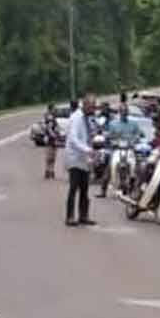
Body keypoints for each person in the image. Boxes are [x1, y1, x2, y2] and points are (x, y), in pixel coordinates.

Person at [64, 94, 97, 226]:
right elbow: (73, 139)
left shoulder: (87, 119)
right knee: (74, 187)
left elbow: (89, 134)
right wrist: (87, 150)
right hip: (74, 157)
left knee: (85, 188)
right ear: (85, 105)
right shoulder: (76, 118)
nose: (94, 109)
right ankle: (70, 216)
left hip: (84, 158)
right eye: (92, 106)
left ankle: (83, 215)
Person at [97, 103, 142, 198]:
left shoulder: (133, 124)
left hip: (129, 149)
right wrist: (111, 140)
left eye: (125, 111)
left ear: (128, 112)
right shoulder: (113, 124)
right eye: (122, 111)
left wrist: (135, 140)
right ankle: (103, 190)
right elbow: (108, 135)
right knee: (110, 166)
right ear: (119, 112)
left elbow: (139, 134)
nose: (124, 113)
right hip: (117, 148)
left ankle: (136, 186)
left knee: (136, 165)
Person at [43, 103, 60, 180]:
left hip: (53, 139)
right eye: (54, 109)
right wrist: (54, 135)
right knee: (50, 156)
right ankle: (48, 171)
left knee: (53, 156)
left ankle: (51, 171)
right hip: (51, 139)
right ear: (51, 109)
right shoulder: (50, 117)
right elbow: (49, 128)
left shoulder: (52, 117)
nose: (55, 110)